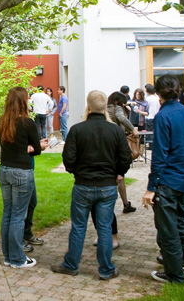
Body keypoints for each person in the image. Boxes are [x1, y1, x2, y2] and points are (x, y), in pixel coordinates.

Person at [51, 90, 130, 280]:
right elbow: (125, 158)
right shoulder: (116, 130)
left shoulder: (78, 130)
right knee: (104, 228)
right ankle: (106, 269)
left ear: (88, 106)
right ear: (105, 109)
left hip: (84, 185)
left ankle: (71, 265)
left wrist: (76, 171)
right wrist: (118, 174)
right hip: (107, 185)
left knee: (78, 226)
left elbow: (68, 159)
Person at [142, 74, 184, 284]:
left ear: (159, 92)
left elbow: (160, 154)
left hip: (169, 180)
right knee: (181, 224)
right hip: (183, 178)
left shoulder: (164, 116)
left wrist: (151, 187)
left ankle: (174, 274)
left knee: (169, 228)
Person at [0, 87, 48, 268]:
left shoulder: (3, 121)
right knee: (18, 216)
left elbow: (7, 145)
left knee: (8, 214)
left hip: (4, 170)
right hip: (21, 172)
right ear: (23, 101)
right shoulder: (27, 123)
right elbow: (37, 148)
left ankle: (8, 256)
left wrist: (29, 147)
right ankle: (18, 259)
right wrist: (38, 146)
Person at [105, 92, 137, 215]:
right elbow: (122, 118)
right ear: (118, 101)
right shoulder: (116, 108)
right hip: (116, 141)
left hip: (105, 142)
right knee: (119, 175)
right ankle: (123, 203)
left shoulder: (103, 108)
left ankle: (125, 203)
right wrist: (132, 128)